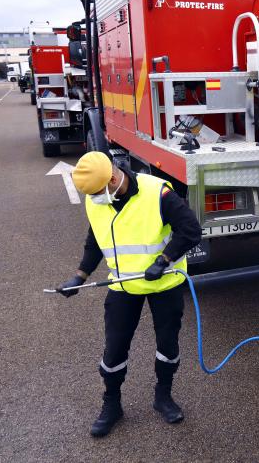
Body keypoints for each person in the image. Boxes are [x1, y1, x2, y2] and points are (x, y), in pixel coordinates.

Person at [57, 151, 202, 438]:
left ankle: (163, 396)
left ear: (112, 178)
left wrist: (163, 260)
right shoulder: (96, 199)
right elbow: (95, 240)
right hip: (124, 284)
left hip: (164, 283)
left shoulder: (157, 193)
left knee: (167, 344)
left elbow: (190, 230)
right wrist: (80, 275)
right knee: (114, 348)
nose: (94, 198)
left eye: (98, 192)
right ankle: (111, 405)